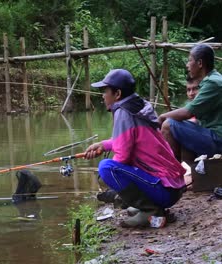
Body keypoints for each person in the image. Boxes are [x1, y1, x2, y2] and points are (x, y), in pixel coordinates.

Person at [85, 69, 186, 228]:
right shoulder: (137, 107)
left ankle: (150, 210)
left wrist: (117, 188)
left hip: (165, 190)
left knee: (106, 168)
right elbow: (129, 140)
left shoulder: (123, 112)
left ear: (117, 94)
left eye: (105, 91)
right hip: (172, 187)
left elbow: (122, 156)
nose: (103, 95)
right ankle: (150, 206)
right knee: (114, 168)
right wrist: (103, 145)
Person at [158, 44, 222, 162]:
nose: (187, 65)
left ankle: (174, 173)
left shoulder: (213, 83)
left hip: (218, 139)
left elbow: (187, 112)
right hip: (213, 135)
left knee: (168, 125)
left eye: (189, 60)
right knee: (184, 129)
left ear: (200, 63)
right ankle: (188, 173)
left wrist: (161, 117)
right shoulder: (212, 80)